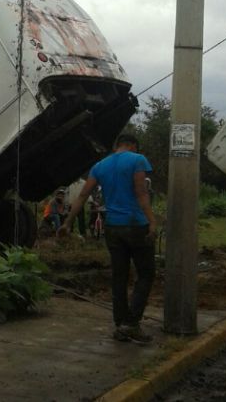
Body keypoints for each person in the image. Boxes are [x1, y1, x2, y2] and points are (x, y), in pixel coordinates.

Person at [58, 134, 157, 344]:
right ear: (133, 146)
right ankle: (131, 324)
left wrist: (67, 223)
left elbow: (82, 196)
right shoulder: (137, 159)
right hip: (135, 224)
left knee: (119, 276)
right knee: (146, 274)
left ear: (115, 146)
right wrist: (152, 221)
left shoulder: (100, 166)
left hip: (112, 227)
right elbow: (141, 192)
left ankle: (121, 325)